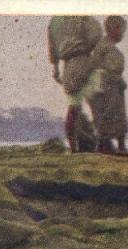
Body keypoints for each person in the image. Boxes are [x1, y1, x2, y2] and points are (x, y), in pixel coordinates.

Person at [47, 16, 103, 153]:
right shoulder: (83, 16)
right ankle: (102, 145)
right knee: (96, 105)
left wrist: (56, 68)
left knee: (73, 107)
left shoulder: (54, 21)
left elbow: (52, 47)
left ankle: (73, 149)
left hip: (68, 66)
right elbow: (96, 36)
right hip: (85, 60)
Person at [89, 16, 128, 156]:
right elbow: (111, 68)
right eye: (121, 30)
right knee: (112, 115)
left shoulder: (104, 46)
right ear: (113, 29)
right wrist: (119, 81)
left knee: (109, 115)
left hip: (106, 86)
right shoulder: (106, 47)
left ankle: (107, 145)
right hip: (109, 86)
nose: (122, 34)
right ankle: (117, 147)